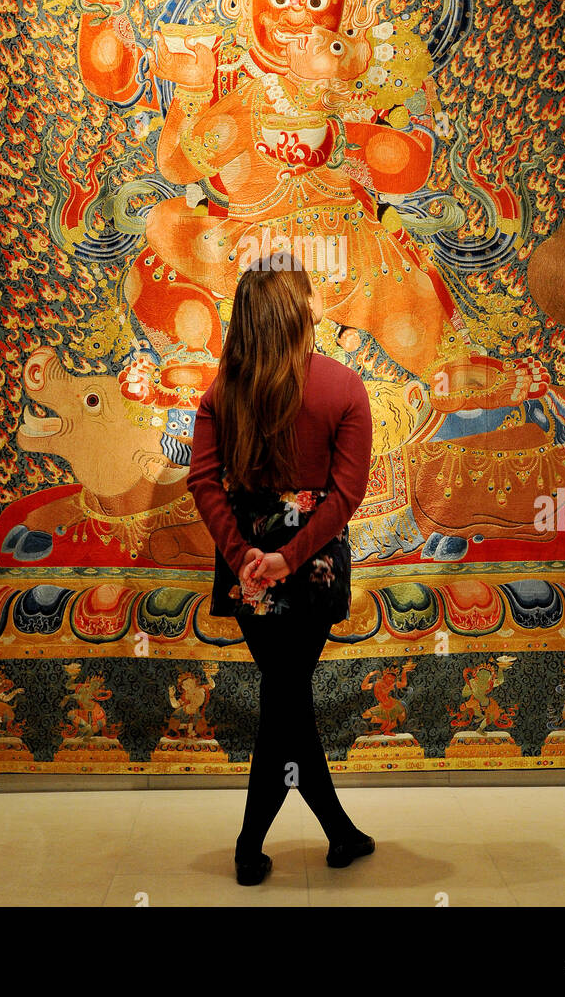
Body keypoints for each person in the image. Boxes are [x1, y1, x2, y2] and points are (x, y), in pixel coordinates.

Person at [187, 251, 376, 885]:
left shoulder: (220, 393)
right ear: (300, 315)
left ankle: (324, 835)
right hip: (313, 565)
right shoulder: (344, 387)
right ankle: (264, 843)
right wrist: (290, 556)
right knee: (286, 694)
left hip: (247, 569)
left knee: (283, 693)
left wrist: (245, 555)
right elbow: (347, 495)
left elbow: (203, 482)